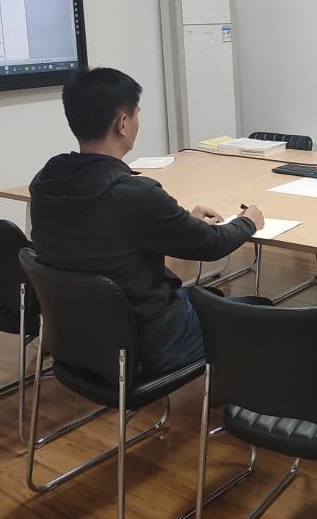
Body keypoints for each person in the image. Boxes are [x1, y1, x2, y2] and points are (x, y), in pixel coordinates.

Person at [29, 67, 267, 374]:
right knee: (261, 313)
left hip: (81, 336)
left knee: (213, 297)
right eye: (137, 114)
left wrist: (180, 221)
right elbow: (211, 245)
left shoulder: (46, 182)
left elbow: (106, 236)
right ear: (123, 123)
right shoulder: (135, 194)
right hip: (148, 343)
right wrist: (249, 221)